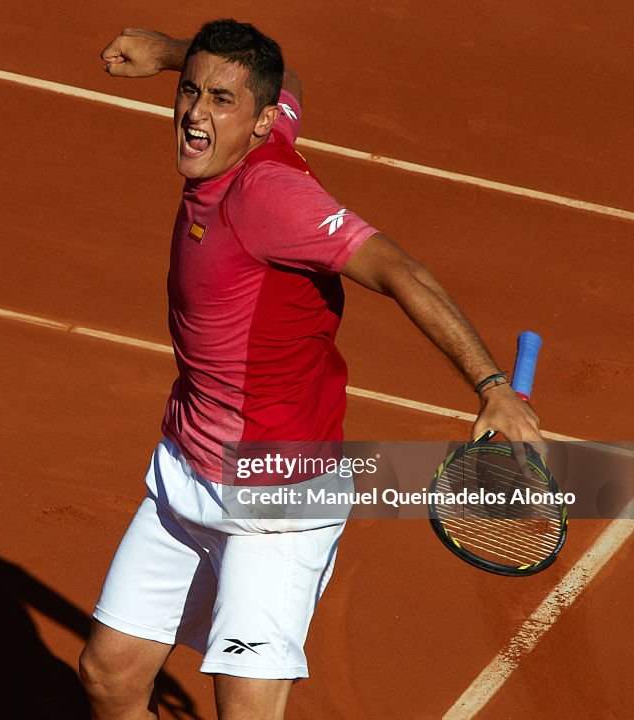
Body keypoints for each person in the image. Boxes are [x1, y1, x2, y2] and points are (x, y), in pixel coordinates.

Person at [79, 20, 544, 720]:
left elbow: (399, 270)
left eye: (222, 101)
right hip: (186, 469)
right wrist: (169, 53)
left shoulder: (270, 197)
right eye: (190, 92)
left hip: (277, 500)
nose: (196, 114)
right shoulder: (270, 121)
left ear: (260, 124)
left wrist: (492, 388)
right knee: (110, 678)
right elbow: (285, 80)